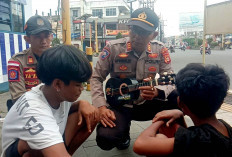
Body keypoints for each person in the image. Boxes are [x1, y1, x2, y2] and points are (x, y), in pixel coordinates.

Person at [90, 7, 178, 150]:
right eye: (133, 30)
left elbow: (170, 78)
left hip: (147, 103)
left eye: (143, 32)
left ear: (154, 34)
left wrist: (157, 91)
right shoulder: (113, 48)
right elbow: (96, 78)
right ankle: (123, 132)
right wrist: (101, 106)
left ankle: (166, 132)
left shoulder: (160, 49)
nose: (136, 36)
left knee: (177, 96)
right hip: (121, 104)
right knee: (106, 138)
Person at [1, 45, 99, 157]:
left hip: (47, 133)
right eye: (78, 84)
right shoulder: (35, 109)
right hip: (18, 152)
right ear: (58, 84)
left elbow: (65, 109)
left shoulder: (52, 90)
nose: (82, 89)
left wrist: (83, 103)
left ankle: (65, 151)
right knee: (33, 150)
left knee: (91, 115)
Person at [133, 63, 232, 157]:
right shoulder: (224, 127)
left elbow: (140, 144)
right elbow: (189, 136)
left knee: (160, 138)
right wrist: (180, 114)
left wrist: (159, 120)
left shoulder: (199, 139)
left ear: (179, 102)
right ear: (221, 103)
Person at [7, 15, 53, 108]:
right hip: (29, 112)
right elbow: (19, 98)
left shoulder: (59, 59)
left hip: (56, 110)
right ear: (27, 39)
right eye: (38, 37)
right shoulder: (18, 61)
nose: (43, 41)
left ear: (51, 36)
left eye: (46, 36)